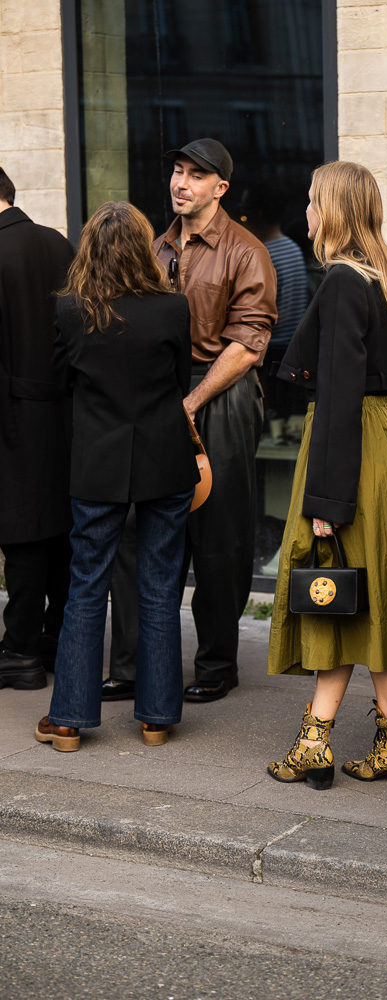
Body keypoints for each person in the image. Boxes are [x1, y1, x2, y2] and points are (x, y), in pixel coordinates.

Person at [266, 161, 387, 789]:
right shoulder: (384, 274)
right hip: (384, 440)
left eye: (314, 201)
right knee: (370, 597)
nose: (307, 213)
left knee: (334, 593)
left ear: (335, 210)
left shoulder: (344, 280)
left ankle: (316, 741)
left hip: (353, 447)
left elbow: (339, 394)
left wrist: (327, 496)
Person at [103, 138, 277, 704]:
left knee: (218, 531)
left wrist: (194, 399)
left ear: (219, 188)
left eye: (195, 176)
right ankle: (131, 666)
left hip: (220, 393)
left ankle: (217, 665)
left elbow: (249, 342)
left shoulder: (246, 250)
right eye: (177, 171)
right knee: (138, 528)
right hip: (160, 396)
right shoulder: (154, 247)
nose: (180, 183)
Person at [35, 202, 198, 752]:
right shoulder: (172, 308)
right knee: (158, 588)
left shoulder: (70, 311)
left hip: (97, 464)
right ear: (142, 249)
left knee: (86, 588)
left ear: (90, 250)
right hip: (165, 460)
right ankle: (156, 718)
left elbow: (61, 382)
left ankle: (69, 722)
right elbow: (179, 382)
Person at [0, 166, 74, 691]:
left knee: (22, 532)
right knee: (61, 531)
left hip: (11, 414)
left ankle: (21, 650)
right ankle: (54, 638)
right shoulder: (58, 243)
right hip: (67, 411)